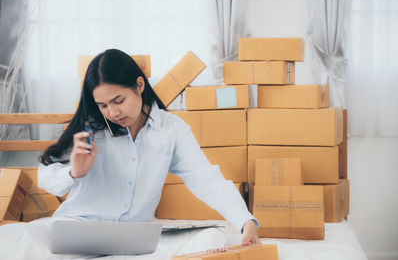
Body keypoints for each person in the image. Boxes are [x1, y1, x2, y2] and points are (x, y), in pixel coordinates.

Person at [38, 49, 260, 245]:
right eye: (103, 105)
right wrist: (74, 172)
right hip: (78, 231)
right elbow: (46, 179)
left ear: (139, 85)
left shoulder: (171, 130)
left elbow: (206, 179)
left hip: (132, 240)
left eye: (118, 100)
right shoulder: (90, 131)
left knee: (211, 238)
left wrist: (245, 221)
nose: (112, 113)